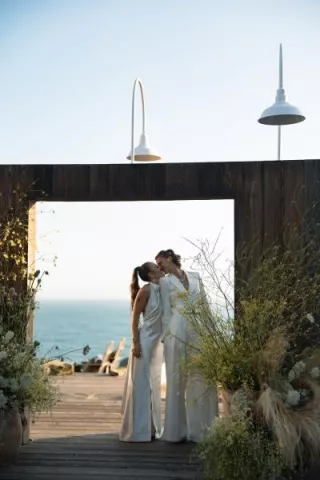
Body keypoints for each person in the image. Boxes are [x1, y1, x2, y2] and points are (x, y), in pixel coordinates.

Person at [156, 249, 218, 443]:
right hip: (177, 330)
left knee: (201, 376)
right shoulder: (165, 282)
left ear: (170, 259)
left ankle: (203, 430)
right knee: (176, 379)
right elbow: (166, 312)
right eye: (157, 265)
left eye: (160, 263)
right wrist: (167, 338)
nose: (159, 267)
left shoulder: (196, 276)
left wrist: (212, 330)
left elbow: (205, 304)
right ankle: (176, 432)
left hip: (199, 328)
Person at [119, 262, 164, 442]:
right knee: (141, 387)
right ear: (151, 274)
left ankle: (150, 430)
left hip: (156, 346)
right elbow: (135, 317)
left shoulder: (163, 289)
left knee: (152, 387)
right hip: (144, 343)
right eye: (156, 267)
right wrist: (136, 342)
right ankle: (137, 431)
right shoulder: (145, 291)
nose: (160, 269)